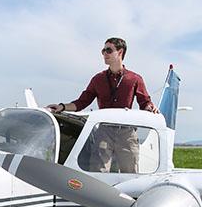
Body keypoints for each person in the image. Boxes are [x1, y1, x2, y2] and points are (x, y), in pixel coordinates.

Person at [47, 37, 158, 172]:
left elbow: (145, 102)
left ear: (120, 52)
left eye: (109, 50)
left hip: (126, 133)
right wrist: (62, 107)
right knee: (98, 171)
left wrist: (150, 108)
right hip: (104, 131)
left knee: (130, 172)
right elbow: (82, 102)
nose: (105, 54)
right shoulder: (98, 79)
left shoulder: (134, 79)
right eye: (103, 51)